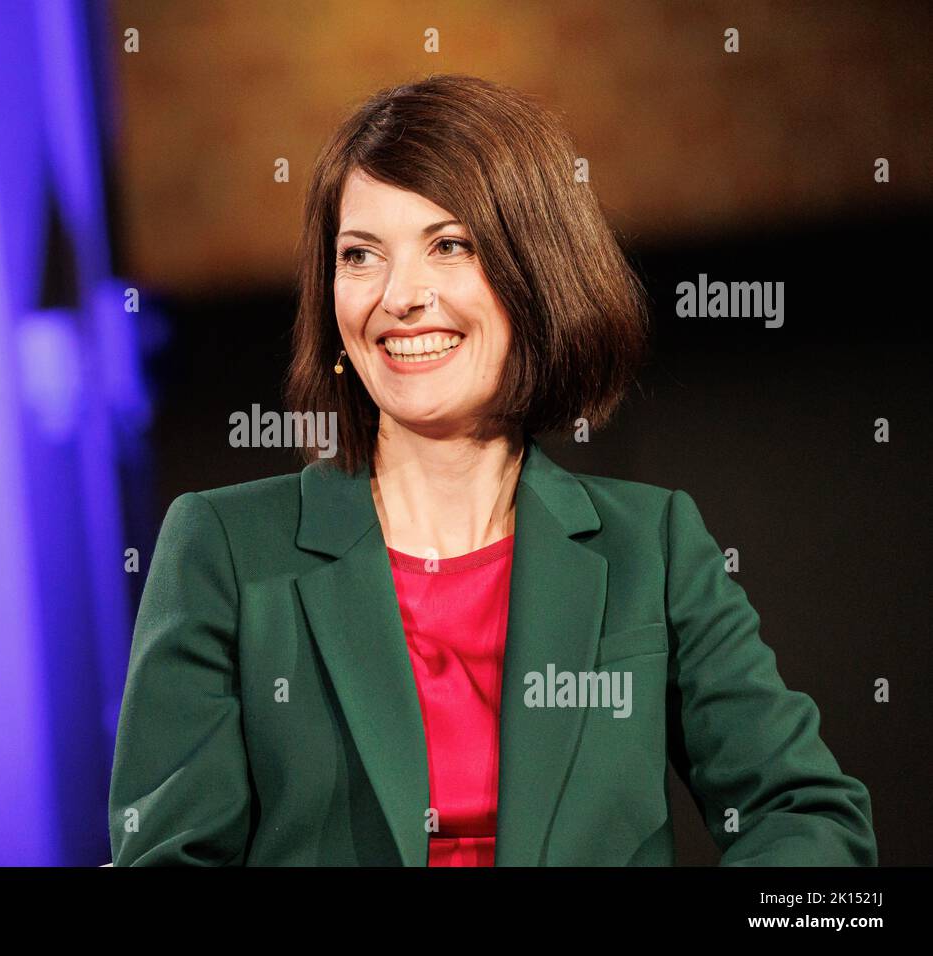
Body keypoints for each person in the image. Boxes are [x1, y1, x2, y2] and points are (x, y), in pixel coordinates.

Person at [107, 74, 877, 866]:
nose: (400, 296)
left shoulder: (652, 547)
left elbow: (807, 818)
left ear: (534, 273)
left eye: (450, 246)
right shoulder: (225, 548)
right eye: (360, 256)